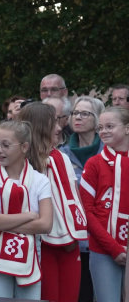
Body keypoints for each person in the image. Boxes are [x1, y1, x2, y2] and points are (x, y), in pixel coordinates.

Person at [0, 120, 54, 300]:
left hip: (30, 250)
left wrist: (1, 219)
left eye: (5, 145)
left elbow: (45, 225)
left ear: (24, 147)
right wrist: (29, 216)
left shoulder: (40, 180)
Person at [19, 103, 86, 302]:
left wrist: (70, 229)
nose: (58, 129)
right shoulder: (21, 163)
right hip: (39, 242)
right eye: (53, 124)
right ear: (39, 127)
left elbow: (74, 196)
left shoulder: (62, 158)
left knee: (69, 297)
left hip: (68, 240)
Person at [79, 106, 129, 302]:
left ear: (127, 128)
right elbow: (86, 211)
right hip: (103, 250)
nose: (104, 131)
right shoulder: (94, 164)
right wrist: (114, 248)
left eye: (110, 126)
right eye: (101, 127)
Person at [62, 97, 105, 169]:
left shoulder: (108, 150)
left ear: (97, 118)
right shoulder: (63, 153)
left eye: (85, 114)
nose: (78, 117)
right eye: (75, 113)